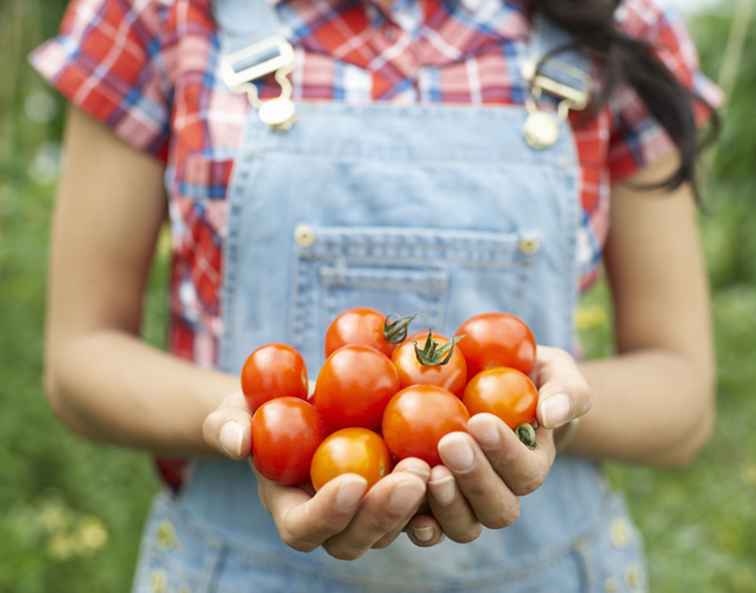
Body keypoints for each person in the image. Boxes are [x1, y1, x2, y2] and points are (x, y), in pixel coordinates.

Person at [34, 0, 720, 591]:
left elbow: (680, 395)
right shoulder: (153, 14)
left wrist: (546, 410)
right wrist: (257, 425)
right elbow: (81, 358)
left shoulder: (619, 26)